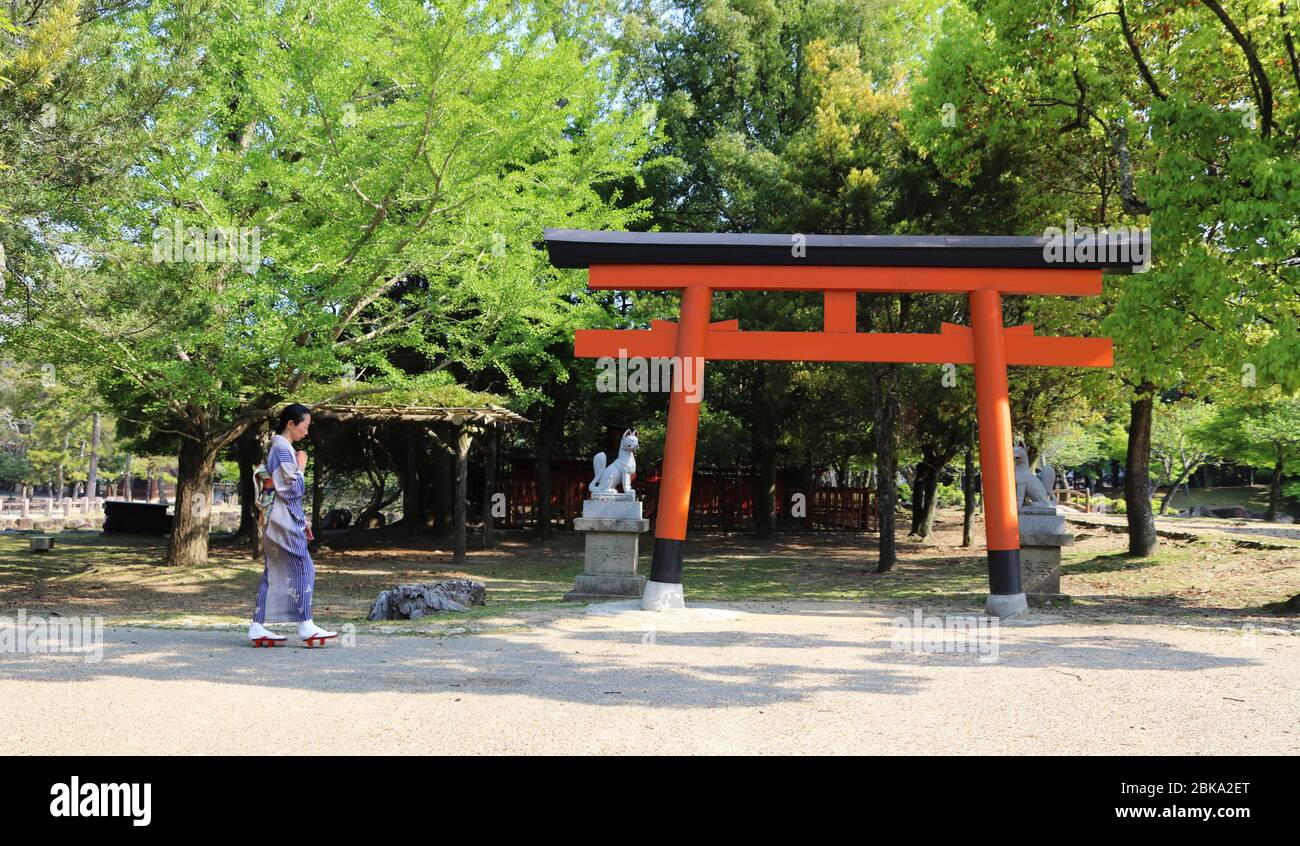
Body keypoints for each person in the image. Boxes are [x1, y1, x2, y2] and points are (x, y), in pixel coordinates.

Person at [248, 403, 337, 647]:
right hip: (284, 521)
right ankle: (306, 625)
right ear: (291, 424)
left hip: (279, 518)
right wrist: (301, 466)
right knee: (303, 567)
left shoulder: (279, 448)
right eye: (304, 426)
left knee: (275, 571)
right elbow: (292, 489)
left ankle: (258, 626)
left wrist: (303, 519)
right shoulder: (283, 449)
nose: (306, 432)